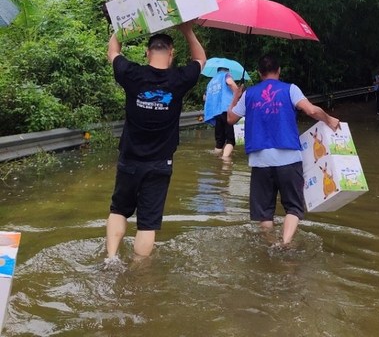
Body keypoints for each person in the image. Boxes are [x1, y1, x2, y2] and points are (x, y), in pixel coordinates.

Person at [105, 21, 206, 261]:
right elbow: (201, 60)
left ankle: (111, 259)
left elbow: (113, 52)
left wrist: (124, 25)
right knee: (147, 223)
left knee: (119, 209)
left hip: (129, 159)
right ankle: (139, 273)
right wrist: (187, 30)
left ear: (147, 52)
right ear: (171, 53)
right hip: (160, 163)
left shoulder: (132, 74)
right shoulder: (180, 79)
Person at [227, 54, 340, 246]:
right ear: (279, 70)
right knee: (294, 208)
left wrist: (236, 97)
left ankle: (271, 244)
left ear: (259, 73)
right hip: (289, 159)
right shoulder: (290, 89)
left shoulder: (249, 94)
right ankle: (285, 243)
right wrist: (329, 120)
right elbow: (311, 111)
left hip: (259, 161)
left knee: (264, 212)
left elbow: (230, 119)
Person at [203, 67, 238, 159]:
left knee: (220, 140)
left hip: (216, 112)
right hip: (227, 110)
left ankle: (216, 156)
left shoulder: (211, 82)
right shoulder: (226, 75)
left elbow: (205, 98)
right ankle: (225, 160)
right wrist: (238, 93)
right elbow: (230, 82)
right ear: (227, 70)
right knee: (231, 139)